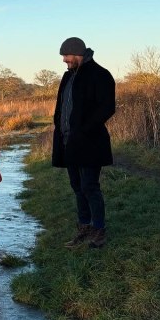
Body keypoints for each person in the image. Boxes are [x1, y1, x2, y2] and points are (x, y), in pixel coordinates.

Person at [52, 37, 115, 248]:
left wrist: (84, 130)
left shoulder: (100, 75)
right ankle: (84, 228)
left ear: (77, 53)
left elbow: (107, 108)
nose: (64, 60)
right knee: (77, 187)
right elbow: (62, 106)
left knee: (90, 186)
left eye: (66, 55)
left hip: (90, 142)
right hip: (68, 142)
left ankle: (99, 230)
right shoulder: (68, 76)